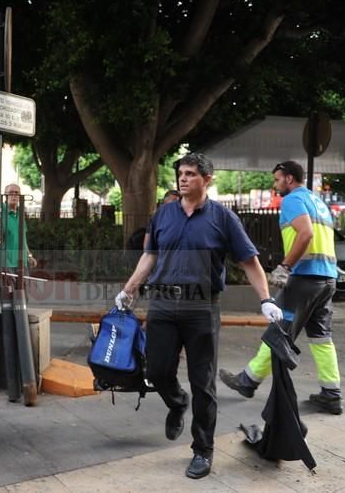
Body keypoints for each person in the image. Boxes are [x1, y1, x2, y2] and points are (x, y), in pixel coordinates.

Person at [115, 153, 282, 480]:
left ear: (207, 179)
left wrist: (265, 299)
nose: (183, 178)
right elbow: (150, 256)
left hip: (201, 308)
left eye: (191, 174)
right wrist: (129, 289)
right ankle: (178, 402)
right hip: (162, 304)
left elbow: (249, 262)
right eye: (181, 173)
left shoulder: (223, 219)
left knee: (203, 383)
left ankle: (202, 450)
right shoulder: (163, 214)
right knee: (158, 371)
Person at [219, 160, 342, 414]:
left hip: (304, 279)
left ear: (288, 178)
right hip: (327, 280)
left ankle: (247, 381)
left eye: (277, 180)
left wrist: (285, 266)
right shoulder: (319, 203)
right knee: (321, 337)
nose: (275, 185)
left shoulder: (293, 201)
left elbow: (305, 234)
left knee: (279, 332)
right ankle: (331, 393)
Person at [1, 183, 37, 272]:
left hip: (22, 262)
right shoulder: (0, 213)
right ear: (5, 195)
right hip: (6, 264)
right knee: (9, 286)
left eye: (17, 193)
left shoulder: (20, 213)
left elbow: (23, 239)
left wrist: (29, 256)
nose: (14, 196)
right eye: (11, 193)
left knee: (23, 286)